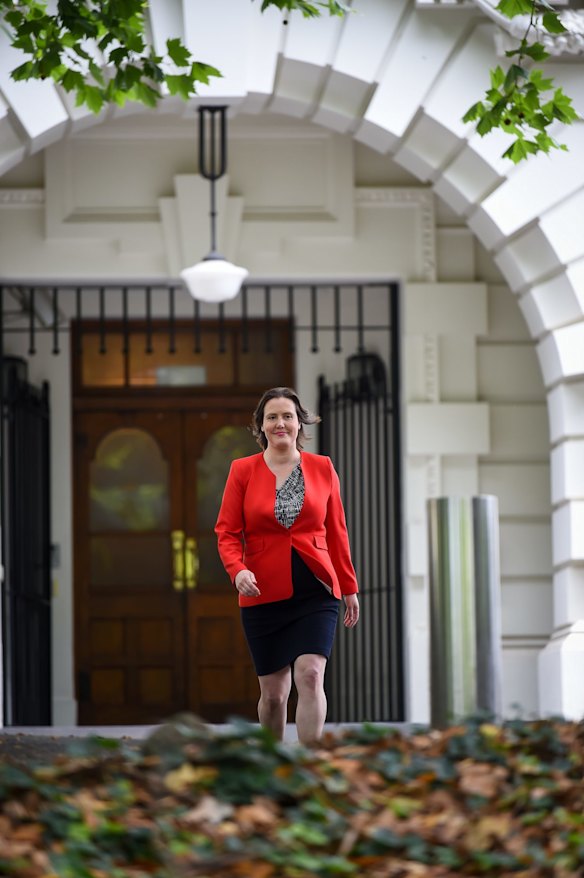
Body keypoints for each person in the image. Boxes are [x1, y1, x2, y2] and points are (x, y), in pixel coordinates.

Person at [214, 386, 359, 745]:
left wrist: (349, 586)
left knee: (310, 675)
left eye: (288, 416)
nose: (281, 423)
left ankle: (310, 766)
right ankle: (273, 762)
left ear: (299, 423)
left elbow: (336, 531)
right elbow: (227, 532)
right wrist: (238, 570)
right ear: (261, 426)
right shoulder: (242, 471)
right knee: (275, 695)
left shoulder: (322, 467)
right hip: (262, 591)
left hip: (316, 589)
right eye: (272, 417)